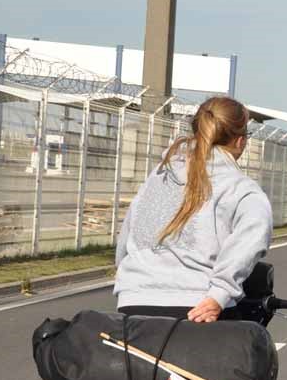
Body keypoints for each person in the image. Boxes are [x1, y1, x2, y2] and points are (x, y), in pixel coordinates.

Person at [114, 95, 272, 322]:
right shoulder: (241, 187)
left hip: (133, 304)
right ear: (240, 141)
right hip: (199, 307)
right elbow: (252, 239)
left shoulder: (160, 174)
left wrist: (130, 276)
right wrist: (220, 294)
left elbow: (131, 228)